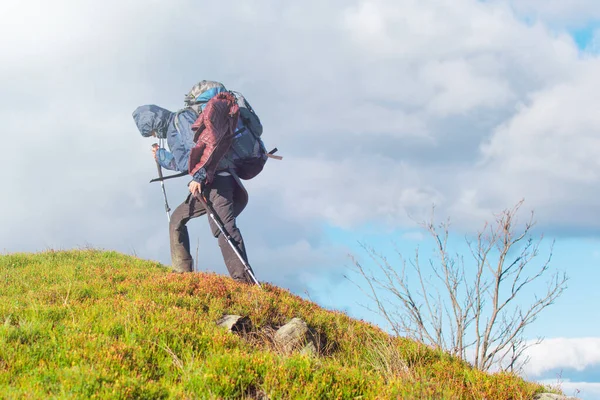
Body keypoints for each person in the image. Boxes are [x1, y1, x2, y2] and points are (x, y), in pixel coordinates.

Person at [132, 90, 255, 284]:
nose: (155, 135)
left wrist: (197, 176)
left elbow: (202, 148)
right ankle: (182, 274)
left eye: (152, 131)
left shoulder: (180, 120)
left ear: (155, 121)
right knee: (177, 219)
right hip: (207, 184)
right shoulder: (174, 128)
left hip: (217, 181)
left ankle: (245, 282)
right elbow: (183, 162)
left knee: (223, 229)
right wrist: (161, 156)